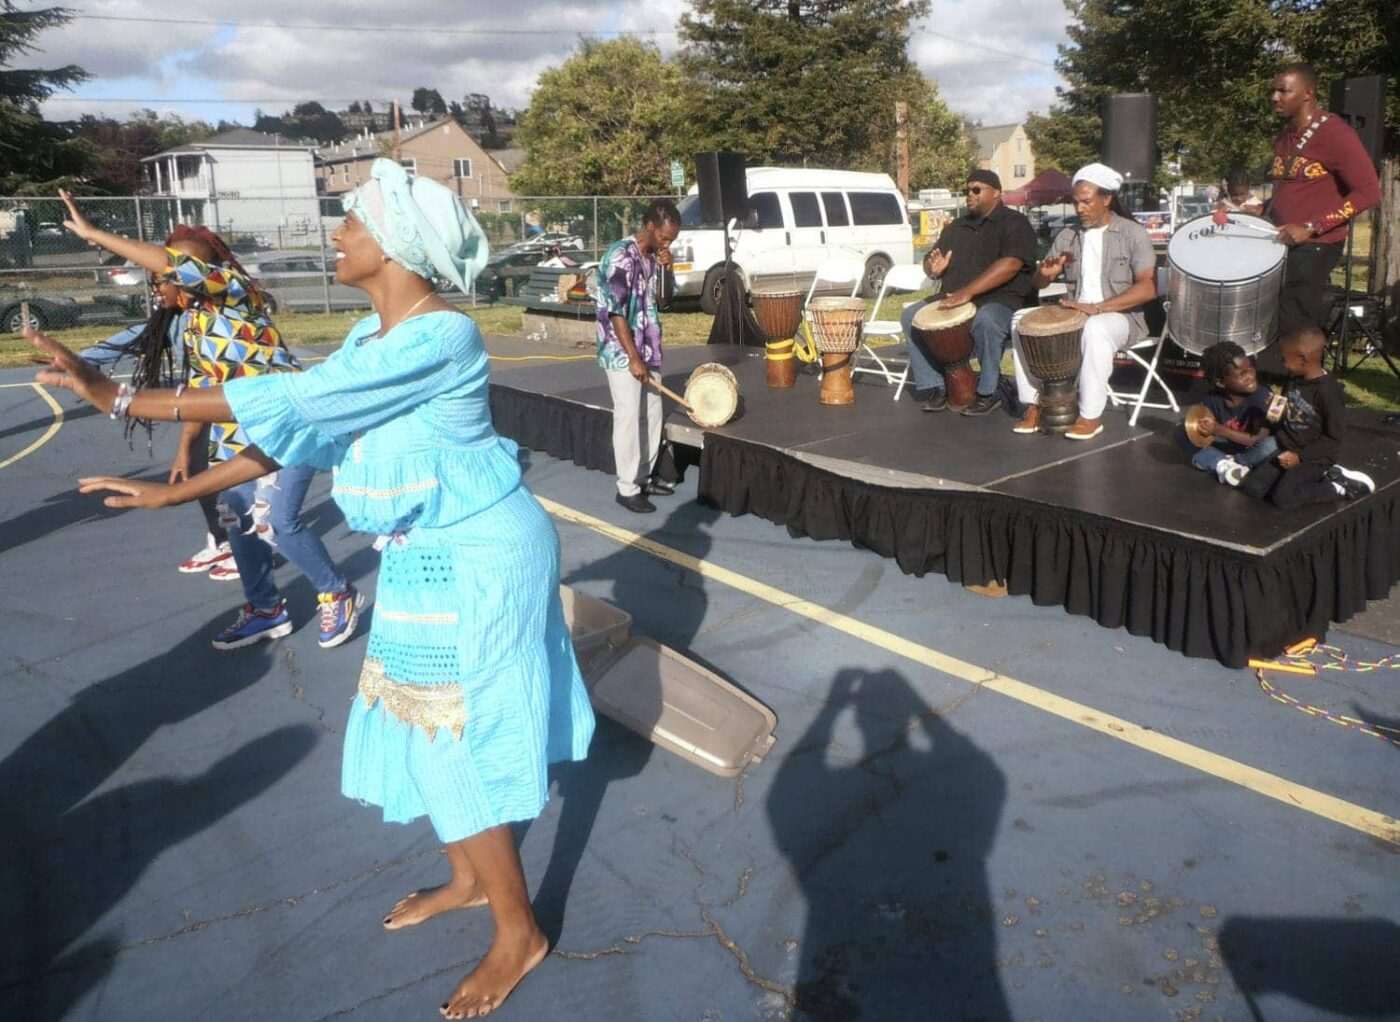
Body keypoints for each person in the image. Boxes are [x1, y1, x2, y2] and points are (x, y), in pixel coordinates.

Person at [31, 158, 596, 1019]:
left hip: (481, 553)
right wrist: (176, 492)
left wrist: (118, 398)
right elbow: (301, 432)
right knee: (416, 714)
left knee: (452, 733)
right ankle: (469, 878)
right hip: (419, 550)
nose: (338, 234)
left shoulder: (442, 337)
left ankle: (520, 934)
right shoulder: (372, 340)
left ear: (398, 246)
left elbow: (298, 395)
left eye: (353, 222)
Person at [55, 194, 362, 649]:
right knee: (234, 517)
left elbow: (177, 264)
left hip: (286, 424)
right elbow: (199, 395)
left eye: (163, 279)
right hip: (237, 436)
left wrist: (96, 234)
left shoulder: (237, 294)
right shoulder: (196, 325)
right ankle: (266, 609)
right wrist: (185, 453)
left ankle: (336, 592)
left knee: (276, 521)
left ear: (190, 277)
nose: (158, 288)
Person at [1011, 163, 1157, 440]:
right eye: (1076, 202)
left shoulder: (1132, 233)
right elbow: (1039, 283)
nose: (1079, 209)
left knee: (1096, 327)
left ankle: (1090, 416)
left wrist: (1097, 308)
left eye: (1086, 202)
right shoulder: (1067, 236)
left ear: (1106, 198)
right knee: (1020, 321)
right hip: (1075, 312)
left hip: (1121, 317)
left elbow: (1148, 288)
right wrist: (1045, 275)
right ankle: (1033, 404)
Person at [901, 169, 1038, 415]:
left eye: (977, 189)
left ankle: (989, 391)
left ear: (997, 193)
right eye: (967, 190)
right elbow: (933, 260)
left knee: (986, 320)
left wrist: (967, 293)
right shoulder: (957, 226)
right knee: (911, 316)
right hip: (954, 297)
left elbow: (1011, 264)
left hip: (1001, 300)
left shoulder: (1015, 223)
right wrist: (933, 269)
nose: (970, 195)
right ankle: (937, 385)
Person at [1267, 62, 1381, 333]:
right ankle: (1278, 373)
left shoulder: (1335, 133)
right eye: (1273, 91)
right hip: (1282, 242)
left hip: (1316, 245)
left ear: (1308, 93)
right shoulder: (1285, 137)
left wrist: (1311, 227)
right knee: (1276, 316)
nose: (1275, 97)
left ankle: (1307, 375)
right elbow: (1293, 190)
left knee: (1297, 320)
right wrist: (1258, 208)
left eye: (1283, 91)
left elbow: (1369, 192)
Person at [595, 198, 681, 514]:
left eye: (672, 239)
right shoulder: (621, 256)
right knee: (629, 415)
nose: (667, 242)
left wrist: (667, 268)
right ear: (649, 226)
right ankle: (627, 487)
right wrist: (633, 357)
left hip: (649, 347)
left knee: (654, 412)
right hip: (622, 351)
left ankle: (645, 475)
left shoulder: (651, 257)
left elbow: (665, 300)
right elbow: (615, 311)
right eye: (664, 237)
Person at [1239, 326, 1375, 507]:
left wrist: (1300, 457)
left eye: (1284, 359)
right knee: (1253, 488)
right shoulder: (1294, 378)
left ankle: (1336, 485)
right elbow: (1289, 410)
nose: (1282, 363)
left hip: (1314, 456)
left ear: (1302, 359)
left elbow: (1333, 439)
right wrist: (1275, 411)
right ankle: (1298, 479)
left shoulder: (1328, 392)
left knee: (1284, 498)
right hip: (1286, 448)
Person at [1185, 341, 1279, 487]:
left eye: (1251, 369)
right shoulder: (1212, 400)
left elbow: (1256, 439)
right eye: (1242, 374)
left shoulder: (1262, 396)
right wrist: (1202, 428)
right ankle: (1231, 468)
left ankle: (1231, 466)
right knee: (1184, 437)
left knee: (1271, 445)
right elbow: (1203, 429)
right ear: (1221, 383)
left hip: (1254, 451)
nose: (1250, 376)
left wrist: (1217, 429)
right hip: (1230, 450)